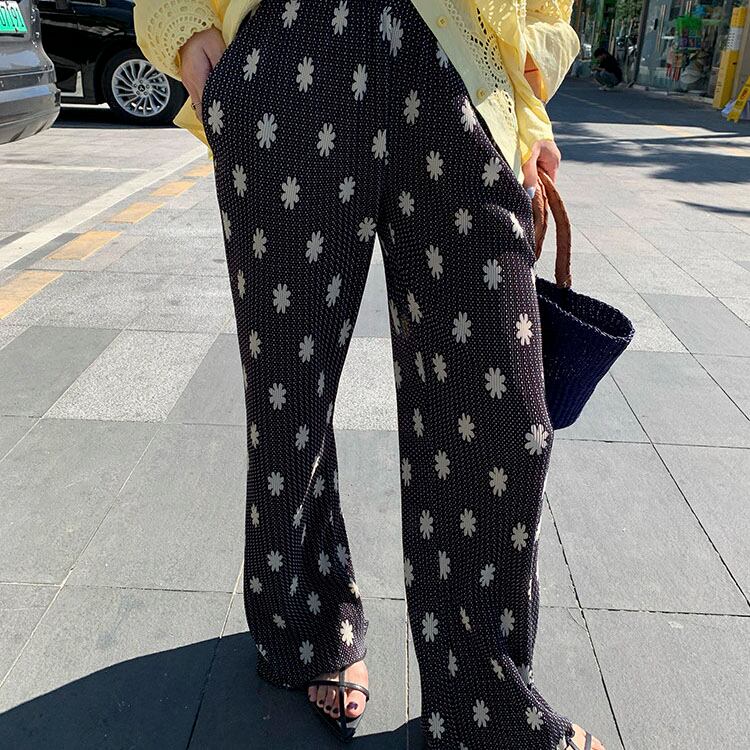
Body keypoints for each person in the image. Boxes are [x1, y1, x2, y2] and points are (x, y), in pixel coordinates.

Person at [133, 1, 605, 748]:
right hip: (292, 51)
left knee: (509, 420)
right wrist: (185, 27)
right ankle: (308, 622)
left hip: (459, 65)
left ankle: (480, 699)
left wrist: (531, 96)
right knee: (289, 390)